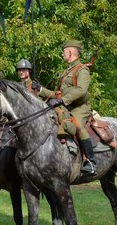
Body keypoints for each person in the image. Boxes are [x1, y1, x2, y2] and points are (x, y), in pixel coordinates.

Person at [32, 40, 97, 174]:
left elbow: (81, 90)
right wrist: (41, 89)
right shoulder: (64, 73)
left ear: (70, 52)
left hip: (80, 107)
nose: (62, 54)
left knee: (77, 125)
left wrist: (62, 100)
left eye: (64, 52)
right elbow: (56, 94)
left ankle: (90, 161)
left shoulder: (82, 69)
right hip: (64, 106)